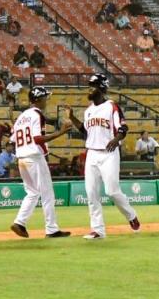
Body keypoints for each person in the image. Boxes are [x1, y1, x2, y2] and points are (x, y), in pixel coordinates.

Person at [67, 74, 140, 240]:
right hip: (92, 153)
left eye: (93, 86)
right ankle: (97, 230)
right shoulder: (88, 111)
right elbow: (86, 132)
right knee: (91, 193)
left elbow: (123, 127)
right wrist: (72, 118)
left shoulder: (111, 106)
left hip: (109, 153)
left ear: (101, 88)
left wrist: (116, 139)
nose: (89, 89)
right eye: (89, 86)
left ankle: (131, 216)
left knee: (112, 191)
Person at [9, 87, 73, 239]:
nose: (46, 100)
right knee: (47, 193)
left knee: (32, 192)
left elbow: (12, 140)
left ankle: (19, 222)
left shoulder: (21, 116)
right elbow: (37, 139)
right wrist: (60, 132)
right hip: (34, 157)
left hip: (22, 158)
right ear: (37, 99)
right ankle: (51, 229)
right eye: (44, 97)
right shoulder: (37, 115)